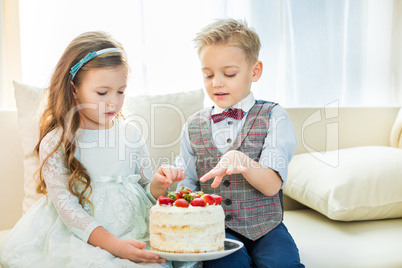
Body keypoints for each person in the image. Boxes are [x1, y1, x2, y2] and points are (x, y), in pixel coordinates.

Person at [0, 31, 197, 268]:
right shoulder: (56, 142)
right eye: (102, 93)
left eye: (121, 91)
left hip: (137, 231)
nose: (114, 102)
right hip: (82, 238)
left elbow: (146, 189)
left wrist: (158, 184)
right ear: (74, 89)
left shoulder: (130, 133)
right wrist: (115, 246)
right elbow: (68, 210)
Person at [175, 19, 304, 267]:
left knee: (283, 264)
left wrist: (242, 161)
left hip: (267, 227)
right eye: (208, 75)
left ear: (254, 71)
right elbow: (187, 183)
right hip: (216, 228)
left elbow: (271, 186)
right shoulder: (192, 124)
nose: (217, 82)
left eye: (229, 73)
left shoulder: (274, 116)